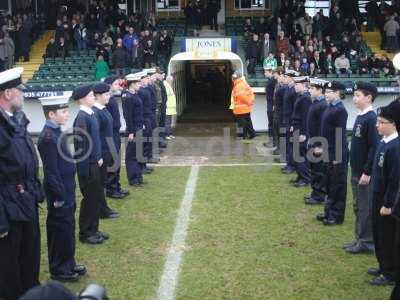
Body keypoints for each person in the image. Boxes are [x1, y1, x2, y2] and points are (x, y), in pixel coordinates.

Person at [0, 67, 43, 300]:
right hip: (8, 209)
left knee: (30, 259)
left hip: (25, 202)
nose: (22, 94)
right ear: (7, 93)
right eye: (19, 90)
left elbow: (26, 159)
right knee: (9, 270)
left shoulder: (16, 120)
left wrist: (35, 190)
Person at [37, 96, 87, 282]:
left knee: (68, 228)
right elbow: (51, 172)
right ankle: (59, 269)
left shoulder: (56, 132)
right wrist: (60, 198)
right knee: (59, 231)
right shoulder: (48, 137)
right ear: (51, 114)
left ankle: (69, 262)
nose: (67, 114)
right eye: (63, 111)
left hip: (66, 189)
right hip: (60, 194)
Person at [344, 82, 379, 254]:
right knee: (358, 205)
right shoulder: (361, 116)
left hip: (364, 173)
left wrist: (367, 171)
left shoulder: (371, 119)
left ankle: (367, 241)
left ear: (368, 97)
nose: (354, 99)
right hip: (356, 170)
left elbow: (374, 147)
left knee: (365, 207)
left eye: (358, 95)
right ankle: (359, 238)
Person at [368, 104, 400, 286]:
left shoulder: (395, 147)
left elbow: (395, 180)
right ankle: (382, 265)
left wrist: (388, 204)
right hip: (376, 194)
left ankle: (390, 272)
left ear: (394, 124)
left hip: (386, 200)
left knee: (387, 236)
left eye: (381, 122)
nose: (377, 126)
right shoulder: (383, 142)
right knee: (378, 234)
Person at [72, 85, 108, 245]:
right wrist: (85, 171)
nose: (94, 97)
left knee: (95, 198)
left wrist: (98, 157)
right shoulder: (82, 118)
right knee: (89, 200)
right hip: (88, 166)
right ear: (82, 99)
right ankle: (86, 233)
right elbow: (82, 147)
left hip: (96, 163)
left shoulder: (91, 114)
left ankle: (94, 229)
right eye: (91, 95)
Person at [316, 81, 349, 226]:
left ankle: (336, 215)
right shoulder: (330, 107)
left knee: (337, 186)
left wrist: (337, 156)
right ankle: (328, 211)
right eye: (326, 92)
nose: (326, 94)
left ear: (338, 93)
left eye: (329, 92)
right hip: (329, 150)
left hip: (337, 153)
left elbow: (339, 135)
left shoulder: (340, 110)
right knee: (329, 183)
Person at [92, 83, 120, 220]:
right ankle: (101, 209)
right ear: (97, 96)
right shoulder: (96, 112)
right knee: (99, 184)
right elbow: (95, 136)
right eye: (106, 94)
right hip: (101, 152)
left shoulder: (103, 109)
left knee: (102, 182)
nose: (109, 96)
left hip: (107, 150)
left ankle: (103, 208)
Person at [104, 76, 129, 199]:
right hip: (111, 135)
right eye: (115, 84)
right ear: (109, 85)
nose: (118, 86)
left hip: (116, 133)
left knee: (117, 161)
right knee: (113, 162)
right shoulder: (107, 100)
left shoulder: (111, 98)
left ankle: (116, 186)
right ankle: (111, 189)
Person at [304, 78, 328, 205]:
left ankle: (319, 195)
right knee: (314, 169)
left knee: (319, 170)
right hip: (313, 140)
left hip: (318, 142)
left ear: (320, 90)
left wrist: (319, 145)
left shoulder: (322, 105)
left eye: (312, 88)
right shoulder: (316, 103)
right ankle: (315, 193)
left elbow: (322, 127)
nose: (309, 90)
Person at [123, 72, 145, 186]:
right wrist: (131, 132)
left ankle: (138, 176)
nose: (140, 85)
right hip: (134, 129)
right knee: (132, 155)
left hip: (139, 127)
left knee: (138, 153)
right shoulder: (128, 97)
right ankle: (133, 179)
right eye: (137, 83)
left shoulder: (134, 94)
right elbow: (128, 116)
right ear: (132, 84)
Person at [290, 75, 312, 187]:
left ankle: (305, 178)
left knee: (301, 154)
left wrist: (304, 133)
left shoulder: (306, 98)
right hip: (297, 128)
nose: (295, 86)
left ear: (304, 85)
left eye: (297, 84)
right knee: (297, 154)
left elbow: (305, 117)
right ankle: (300, 176)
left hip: (302, 131)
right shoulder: (301, 96)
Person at [230, 71, 256, 141]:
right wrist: (250, 102)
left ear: (235, 78)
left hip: (241, 109)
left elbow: (242, 96)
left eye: (233, 77)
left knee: (242, 124)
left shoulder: (238, 86)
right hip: (246, 108)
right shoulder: (244, 84)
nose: (232, 79)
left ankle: (244, 136)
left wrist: (248, 102)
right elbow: (251, 93)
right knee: (248, 121)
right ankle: (252, 134)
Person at [264, 68, 277, 147]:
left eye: (266, 72)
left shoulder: (273, 81)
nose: (264, 73)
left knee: (272, 123)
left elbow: (274, 94)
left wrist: (273, 105)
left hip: (271, 104)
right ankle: (271, 140)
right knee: (270, 123)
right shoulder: (270, 80)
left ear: (270, 72)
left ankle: (272, 141)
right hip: (270, 103)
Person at [164, 75, 177, 140]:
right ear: (169, 80)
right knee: (167, 123)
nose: (172, 82)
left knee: (169, 122)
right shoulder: (166, 86)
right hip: (167, 108)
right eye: (171, 81)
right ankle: (166, 134)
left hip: (170, 109)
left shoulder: (168, 86)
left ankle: (169, 133)